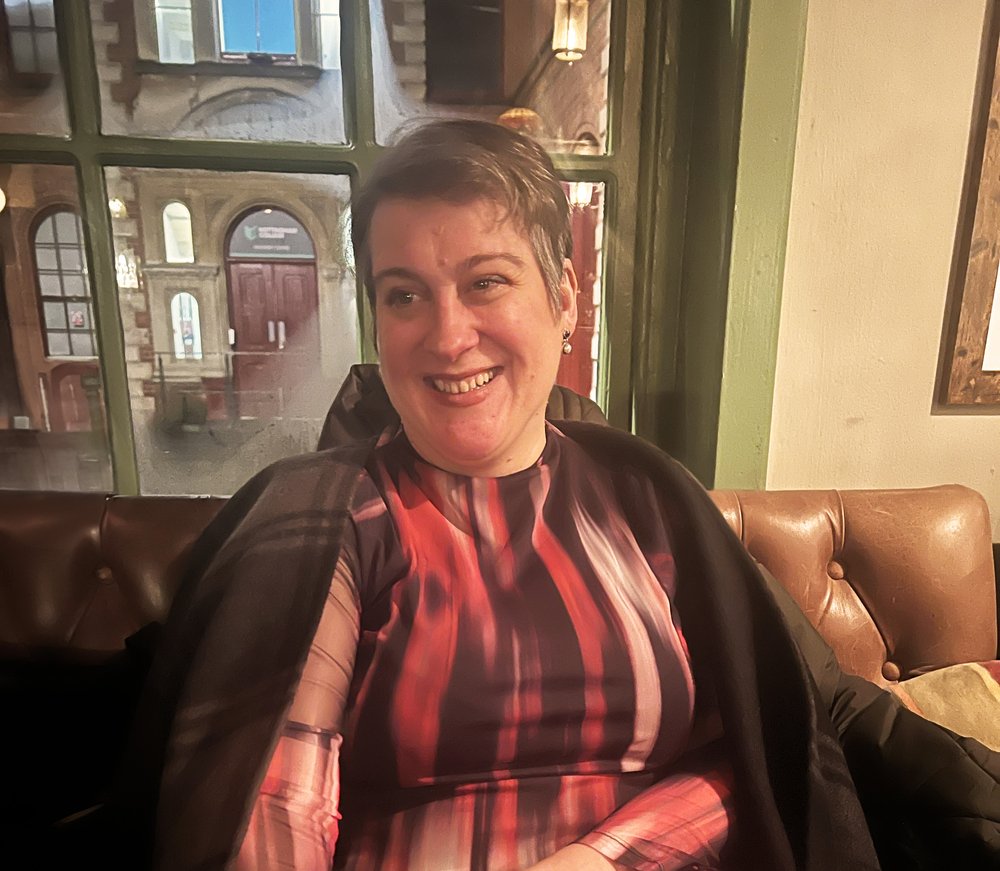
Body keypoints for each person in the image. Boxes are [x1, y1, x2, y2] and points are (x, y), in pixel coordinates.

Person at [113, 120, 1000, 871]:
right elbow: (275, 802)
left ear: (566, 298)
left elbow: (767, 740)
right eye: (405, 294)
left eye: (487, 282)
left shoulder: (646, 501)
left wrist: (605, 855)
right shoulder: (335, 515)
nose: (448, 334)